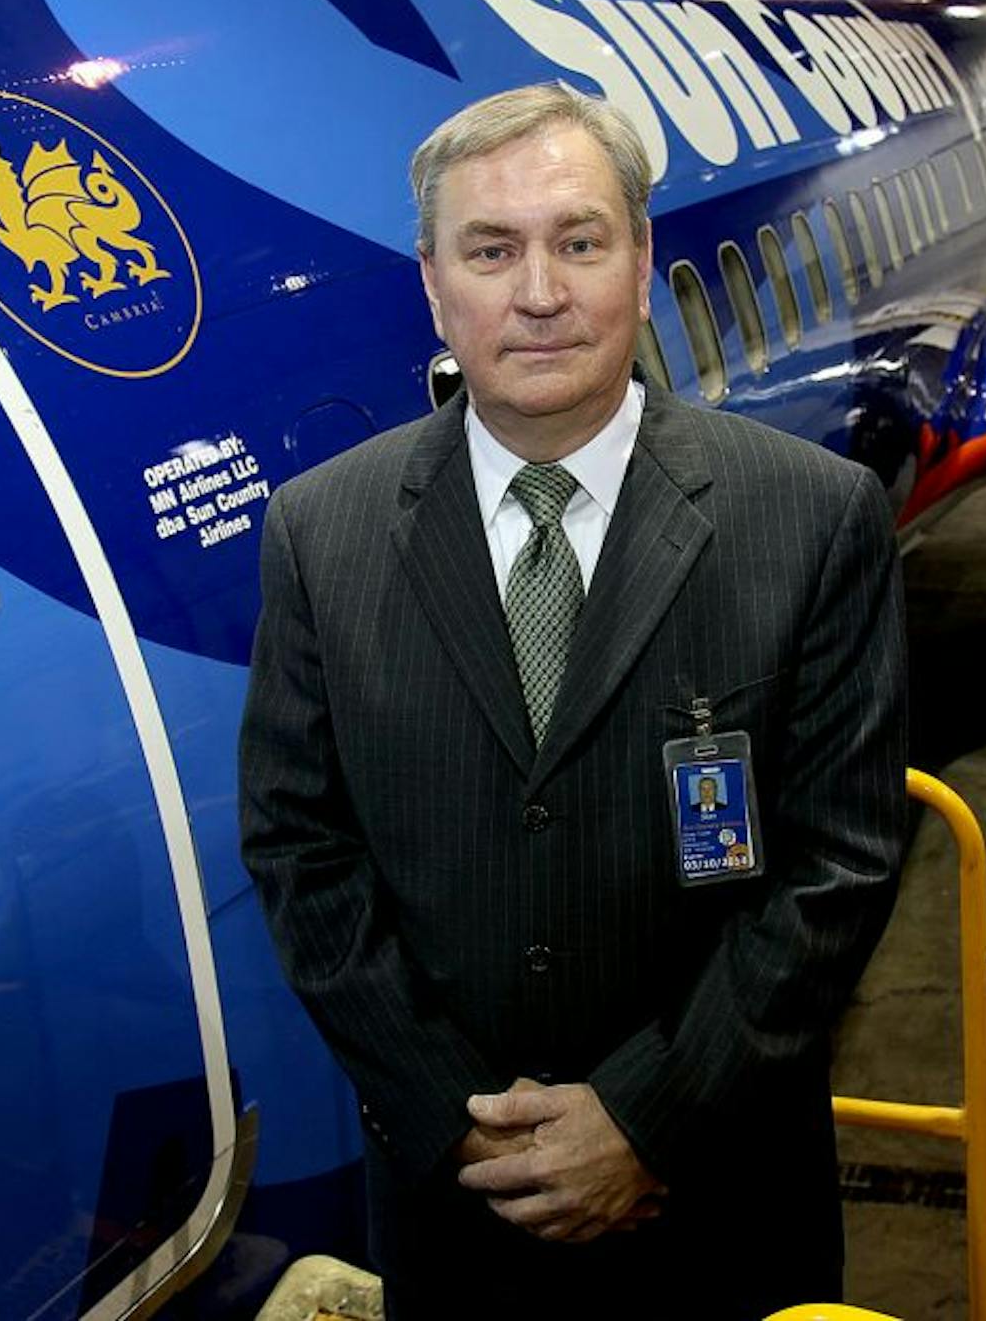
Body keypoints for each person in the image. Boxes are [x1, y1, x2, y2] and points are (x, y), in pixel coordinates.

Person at [239, 82, 907, 1319]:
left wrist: (648, 1116)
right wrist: (459, 1122)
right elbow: (300, 848)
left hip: (719, 1199)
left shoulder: (810, 516)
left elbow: (841, 861)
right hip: (459, 1210)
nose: (539, 292)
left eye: (580, 241)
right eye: (492, 251)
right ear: (435, 286)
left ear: (642, 263)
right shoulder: (320, 534)